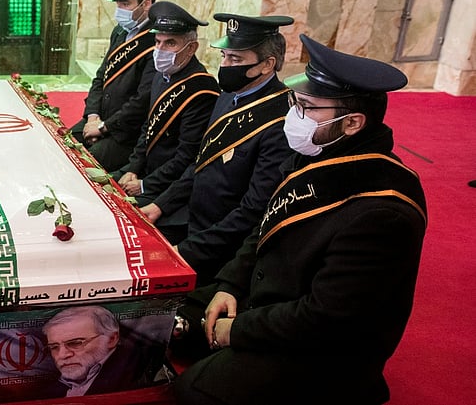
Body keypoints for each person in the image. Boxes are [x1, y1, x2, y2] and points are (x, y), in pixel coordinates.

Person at [171, 34, 428, 405]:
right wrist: (229, 285)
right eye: (295, 101)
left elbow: (327, 318)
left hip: (323, 351)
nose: (293, 116)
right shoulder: (318, 152)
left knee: (191, 392)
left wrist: (237, 330)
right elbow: (264, 227)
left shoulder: (382, 210)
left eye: (306, 107)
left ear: (353, 122)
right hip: (270, 300)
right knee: (166, 318)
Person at [139, 14, 295, 285]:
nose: (224, 66)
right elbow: (200, 163)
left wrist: (188, 251)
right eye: (224, 56)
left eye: (235, 59)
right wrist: (161, 205)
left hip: (224, 247)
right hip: (192, 219)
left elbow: (253, 210)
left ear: (267, 65)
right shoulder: (227, 97)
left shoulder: (279, 120)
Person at [114, 2, 220, 233]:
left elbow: (187, 157)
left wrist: (144, 185)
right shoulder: (163, 75)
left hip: (170, 189)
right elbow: (148, 127)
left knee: (117, 221)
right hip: (146, 173)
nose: (160, 50)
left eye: (170, 43)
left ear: (191, 48)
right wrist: (133, 168)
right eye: (157, 42)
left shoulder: (200, 88)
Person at [69, 0, 159, 172]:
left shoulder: (156, 42)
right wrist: (92, 117)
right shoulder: (120, 32)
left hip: (124, 132)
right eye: (118, 5)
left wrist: (103, 127)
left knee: (83, 168)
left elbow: (142, 100)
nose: (119, 11)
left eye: (125, 4)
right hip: (98, 119)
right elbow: (100, 77)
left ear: (145, 4)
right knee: (61, 146)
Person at [40, 306, 155, 397]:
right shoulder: (50, 391)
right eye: (54, 347)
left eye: (75, 343)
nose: (62, 355)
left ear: (111, 339)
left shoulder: (137, 373)